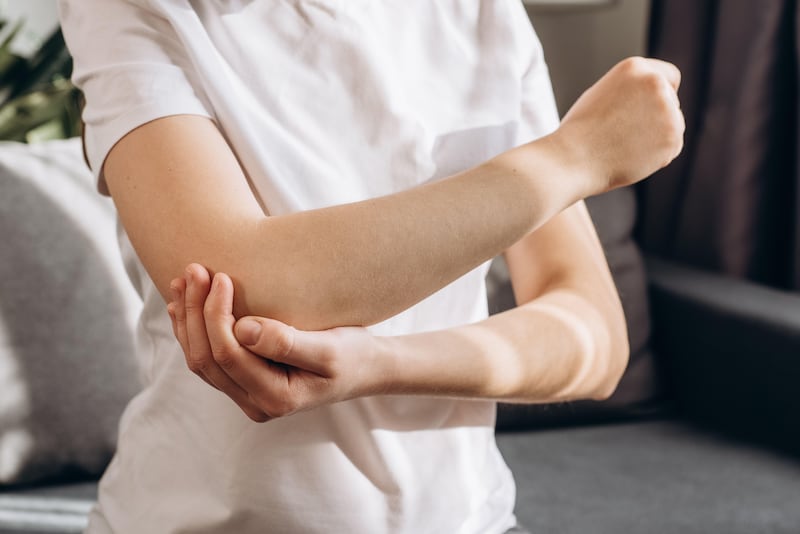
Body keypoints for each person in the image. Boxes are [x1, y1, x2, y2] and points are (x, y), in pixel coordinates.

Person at [59, 0, 684, 532]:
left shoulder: (482, 12)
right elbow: (251, 291)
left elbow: (594, 336)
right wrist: (572, 158)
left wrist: (379, 364)